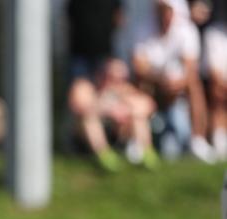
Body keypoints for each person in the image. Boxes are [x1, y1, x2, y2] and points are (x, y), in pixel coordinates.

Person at [132, 0, 216, 162]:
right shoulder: (142, 28)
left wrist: (178, 83)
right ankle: (137, 140)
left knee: (194, 85)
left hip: (178, 88)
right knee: (140, 85)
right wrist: (160, 79)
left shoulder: (186, 30)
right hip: (154, 87)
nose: (165, 15)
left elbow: (190, 68)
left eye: (168, 10)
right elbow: (139, 66)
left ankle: (198, 139)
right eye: (161, 10)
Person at [66, 0, 126, 171]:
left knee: (110, 99)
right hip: (80, 55)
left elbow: (119, 18)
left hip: (104, 52)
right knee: (84, 105)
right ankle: (91, 148)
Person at [96, 58, 161, 168]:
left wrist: (125, 109)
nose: (116, 80)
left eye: (119, 76)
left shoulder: (128, 90)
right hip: (106, 127)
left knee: (138, 117)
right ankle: (104, 155)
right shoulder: (98, 91)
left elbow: (149, 105)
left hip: (125, 129)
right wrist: (111, 110)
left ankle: (147, 153)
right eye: (111, 76)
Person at [191, 0, 227, 158]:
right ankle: (219, 138)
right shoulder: (214, 33)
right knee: (217, 90)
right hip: (217, 88)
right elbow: (215, 76)